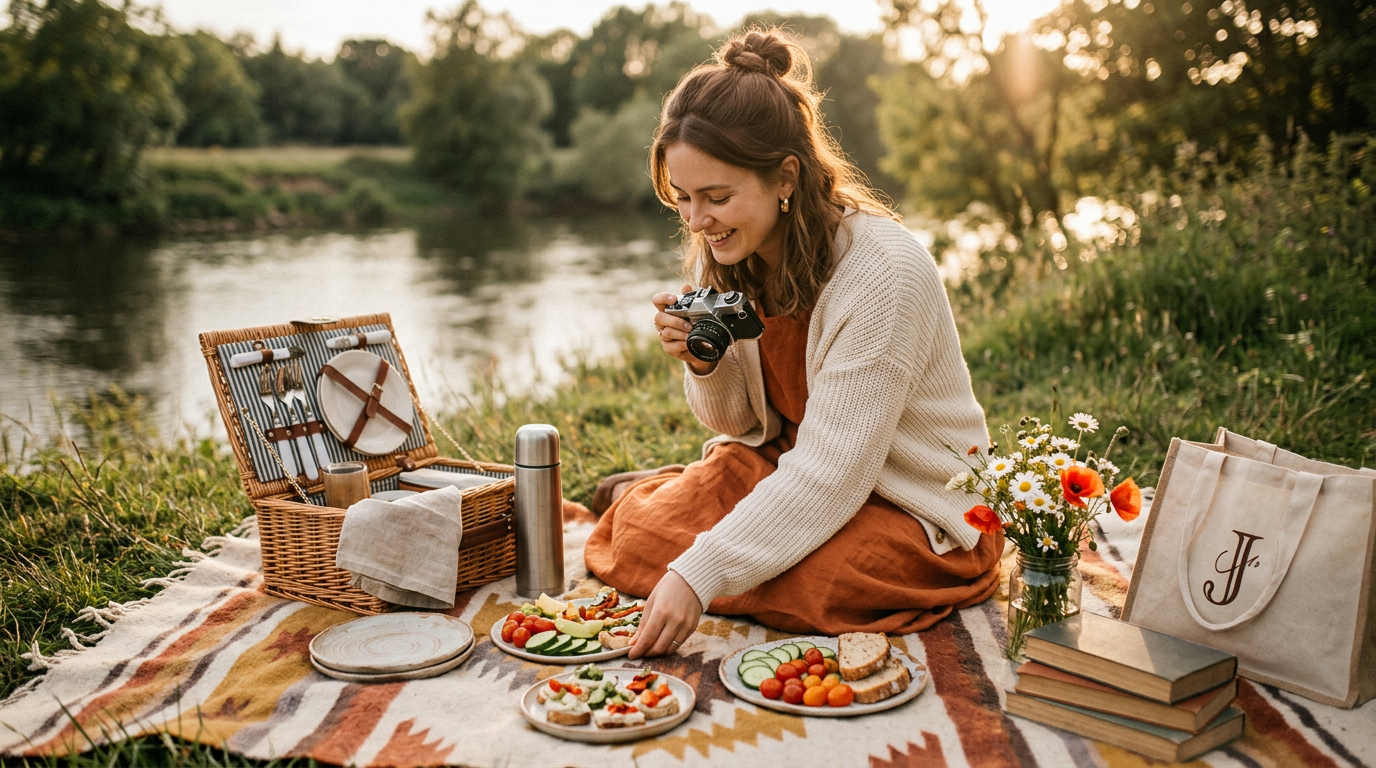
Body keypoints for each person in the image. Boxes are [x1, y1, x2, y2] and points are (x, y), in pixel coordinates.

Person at [583, 28, 1003, 659]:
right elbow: (738, 424)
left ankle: (695, 510)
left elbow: (835, 473)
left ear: (785, 177)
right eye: (684, 200)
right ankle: (678, 501)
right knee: (642, 536)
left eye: (717, 197)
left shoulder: (883, 273)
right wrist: (706, 363)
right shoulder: (725, 251)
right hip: (786, 461)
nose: (697, 223)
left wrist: (697, 576)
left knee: (826, 580)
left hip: (909, 502)